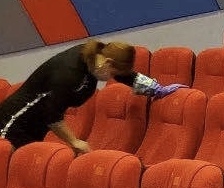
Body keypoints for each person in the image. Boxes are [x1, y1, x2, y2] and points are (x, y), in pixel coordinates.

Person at [0, 40, 185, 153]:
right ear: (108, 63)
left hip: (36, 125)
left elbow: (124, 75)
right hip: (13, 121)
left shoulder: (97, 58)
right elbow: (52, 115)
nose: (112, 78)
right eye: (113, 73)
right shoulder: (69, 73)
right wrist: (74, 141)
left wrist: (156, 89)